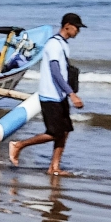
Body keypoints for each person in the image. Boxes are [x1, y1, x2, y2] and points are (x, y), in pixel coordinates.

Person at [10, 14, 85, 174]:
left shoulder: (63, 44)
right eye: (77, 27)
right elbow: (55, 71)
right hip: (50, 96)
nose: (78, 31)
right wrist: (72, 94)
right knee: (53, 133)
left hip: (59, 96)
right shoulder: (53, 44)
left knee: (64, 132)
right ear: (67, 26)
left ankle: (54, 167)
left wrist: (67, 93)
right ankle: (18, 145)